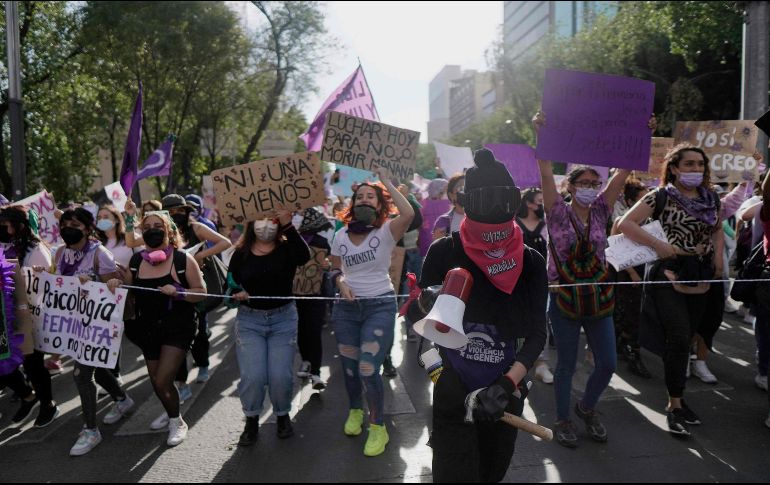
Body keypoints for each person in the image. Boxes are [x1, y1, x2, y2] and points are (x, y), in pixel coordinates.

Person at [407, 148, 546, 482]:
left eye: (504, 200)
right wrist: (442, 377)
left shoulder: (530, 261)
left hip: (504, 392)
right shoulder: (444, 251)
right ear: (468, 202)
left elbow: (537, 333)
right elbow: (420, 328)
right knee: (452, 474)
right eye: (489, 200)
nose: (497, 208)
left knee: (490, 472)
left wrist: (507, 384)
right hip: (452, 388)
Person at [534, 111, 653, 448]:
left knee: (608, 363)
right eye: (581, 183)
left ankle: (586, 407)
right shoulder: (556, 210)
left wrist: (639, 132)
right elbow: (544, 169)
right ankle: (562, 419)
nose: (588, 188)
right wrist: (540, 132)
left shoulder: (603, 210)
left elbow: (625, 169)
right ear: (568, 187)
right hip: (565, 299)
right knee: (566, 366)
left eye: (593, 183)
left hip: (599, 298)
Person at [619, 143, 724, 437]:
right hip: (668, 274)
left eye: (700, 165)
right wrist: (658, 245)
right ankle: (674, 404)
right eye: (689, 164)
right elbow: (624, 224)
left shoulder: (712, 197)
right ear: (675, 168)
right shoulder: (660, 196)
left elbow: (717, 228)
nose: (695, 170)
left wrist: (717, 257)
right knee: (678, 337)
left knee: (690, 336)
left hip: (700, 275)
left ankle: (678, 398)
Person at [329, 167, 414, 457]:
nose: (364, 200)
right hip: (347, 309)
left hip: (379, 305)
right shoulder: (340, 235)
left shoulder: (387, 230)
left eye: (371, 196)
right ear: (352, 204)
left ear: (380, 204)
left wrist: (387, 181)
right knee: (350, 368)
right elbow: (334, 268)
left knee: (368, 366)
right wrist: (340, 283)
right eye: (360, 196)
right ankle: (355, 410)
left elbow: (409, 214)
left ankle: (378, 426)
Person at [49, 208, 134, 456]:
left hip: (98, 325)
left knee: (81, 374)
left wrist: (100, 283)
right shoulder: (60, 252)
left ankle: (90, 430)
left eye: (74, 224)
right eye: (64, 223)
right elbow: (58, 283)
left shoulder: (100, 254)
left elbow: (112, 292)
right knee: (95, 367)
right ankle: (122, 398)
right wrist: (45, 275)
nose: (68, 228)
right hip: (74, 324)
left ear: (87, 228)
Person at [123, 210, 206, 446]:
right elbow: (126, 291)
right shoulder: (136, 261)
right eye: (147, 226)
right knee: (158, 382)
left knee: (162, 380)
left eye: (157, 225)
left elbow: (201, 293)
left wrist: (179, 292)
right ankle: (173, 413)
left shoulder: (182, 259)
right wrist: (115, 282)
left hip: (178, 327)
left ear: (168, 230)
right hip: (147, 328)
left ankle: (176, 423)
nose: (151, 230)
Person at [227, 210, 310, 447]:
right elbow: (229, 284)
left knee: (280, 376)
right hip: (250, 320)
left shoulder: (287, 249)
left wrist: (287, 225)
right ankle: (251, 419)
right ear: (251, 223)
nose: (265, 225)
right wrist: (236, 293)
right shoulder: (240, 253)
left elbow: (304, 256)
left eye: (271, 220)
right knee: (253, 376)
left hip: (283, 319)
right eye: (260, 219)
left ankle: (282, 415)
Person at [0, 206, 60, 427]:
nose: (2, 229)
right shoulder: (9, 246)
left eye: (5, 225)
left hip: (33, 316)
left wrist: (38, 274)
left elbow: (48, 284)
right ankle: (28, 395)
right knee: (10, 362)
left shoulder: (36, 250)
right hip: (11, 314)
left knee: (34, 363)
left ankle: (48, 404)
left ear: (20, 227)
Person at [610, 179, 652, 378]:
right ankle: (632, 354)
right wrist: (633, 274)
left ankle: (620, 344)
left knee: (631, 313)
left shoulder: (649, 220)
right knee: (629, 313)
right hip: (626, 273)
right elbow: (618, 251)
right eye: (643, 199)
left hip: (643, 272)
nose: (648, 203)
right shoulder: (621, 221)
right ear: (629, 201)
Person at [295, 207, 333, 390]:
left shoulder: (322, 242)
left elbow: (330, 264)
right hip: (295, 294)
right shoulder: (292, 241)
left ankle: (316, 372)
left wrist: (327, 265)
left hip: (316, 294)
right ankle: (306, 362)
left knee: (314, 331)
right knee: (302, 329)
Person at [432, 174, 465, 240]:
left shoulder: (481, 218)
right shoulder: (443, 220)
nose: (464, 192)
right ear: (451, 195)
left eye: (467, 187)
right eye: (460, 188)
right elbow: (437, 248)